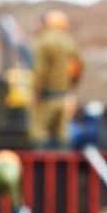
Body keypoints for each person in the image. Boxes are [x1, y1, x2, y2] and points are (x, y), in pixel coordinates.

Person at [29, 9, 83, 149]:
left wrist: (36, 91)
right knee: (62, 135)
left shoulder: (44, 41)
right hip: (64, 97)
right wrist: (71, 86)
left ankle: (40, 162)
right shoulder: (69, 42)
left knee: (38, 133)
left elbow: (41, 70)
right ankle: (62, 162)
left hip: (46, 97)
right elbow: (78, 67)